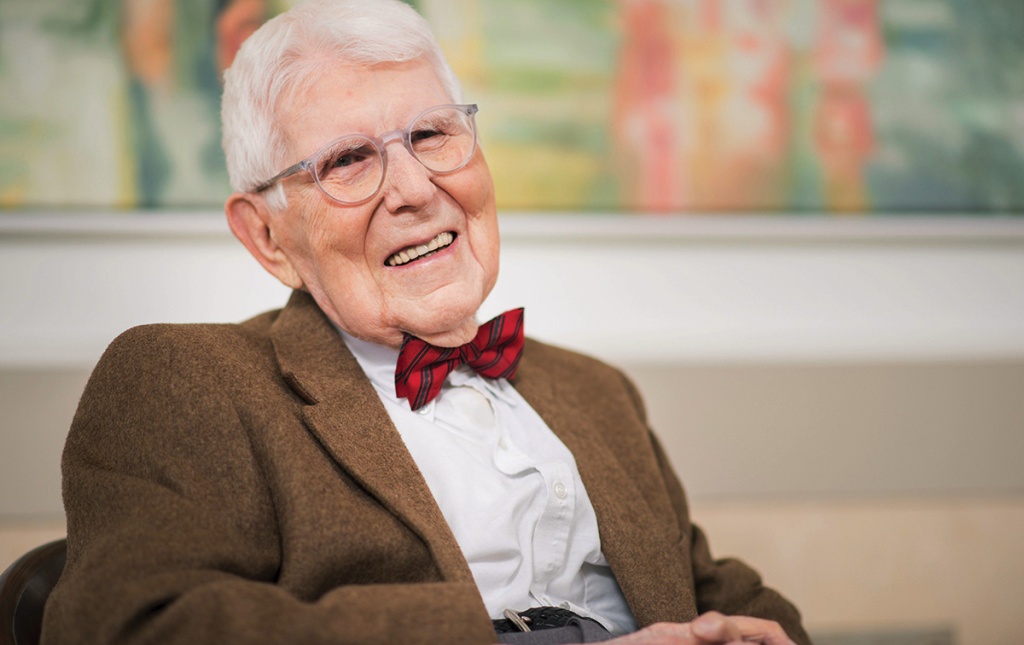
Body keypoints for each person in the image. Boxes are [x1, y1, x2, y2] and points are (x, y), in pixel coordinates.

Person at [42, 1, 811, 643]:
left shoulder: (597, 389)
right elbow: (136, 624)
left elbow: (717, 591)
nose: (413, 188)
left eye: (432, 134)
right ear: (267, 237)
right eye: (347, 159)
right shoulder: (187, 380)